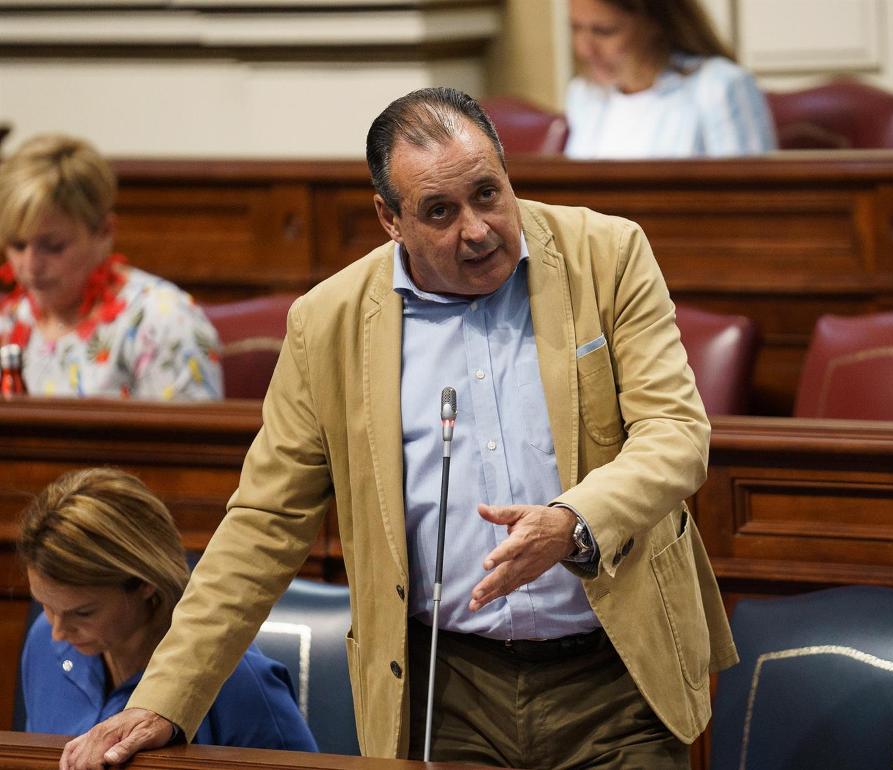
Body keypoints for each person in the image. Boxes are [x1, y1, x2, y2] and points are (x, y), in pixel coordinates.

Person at [61, 87, 734, 770]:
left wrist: (573, 520)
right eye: (440, 211)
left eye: (488, 194)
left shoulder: (606, 255)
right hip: (448, 688)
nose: (476, 229)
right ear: (390, 217)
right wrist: (163, 699)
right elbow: (262, 526)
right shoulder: (329, 324)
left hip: (615, 671)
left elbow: (675, 433)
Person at [19, 467, 316, 751]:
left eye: (83, 613)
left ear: (145, 583)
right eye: (46, 605)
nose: (57, 632)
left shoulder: (242, 682)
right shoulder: (43, 639)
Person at [0, 134, 222, 400]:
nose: (31, 266)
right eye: (17, 245)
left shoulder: (163, 321)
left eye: (53, 246)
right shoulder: (10, 319)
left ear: (105, 232)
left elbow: (192, 440)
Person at [564, 0, 776, 159]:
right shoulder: (584, 93)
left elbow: (749, 200)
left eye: (604, 31)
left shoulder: (721, 85)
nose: (584, 49)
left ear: (655, 23)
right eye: (575, 28)